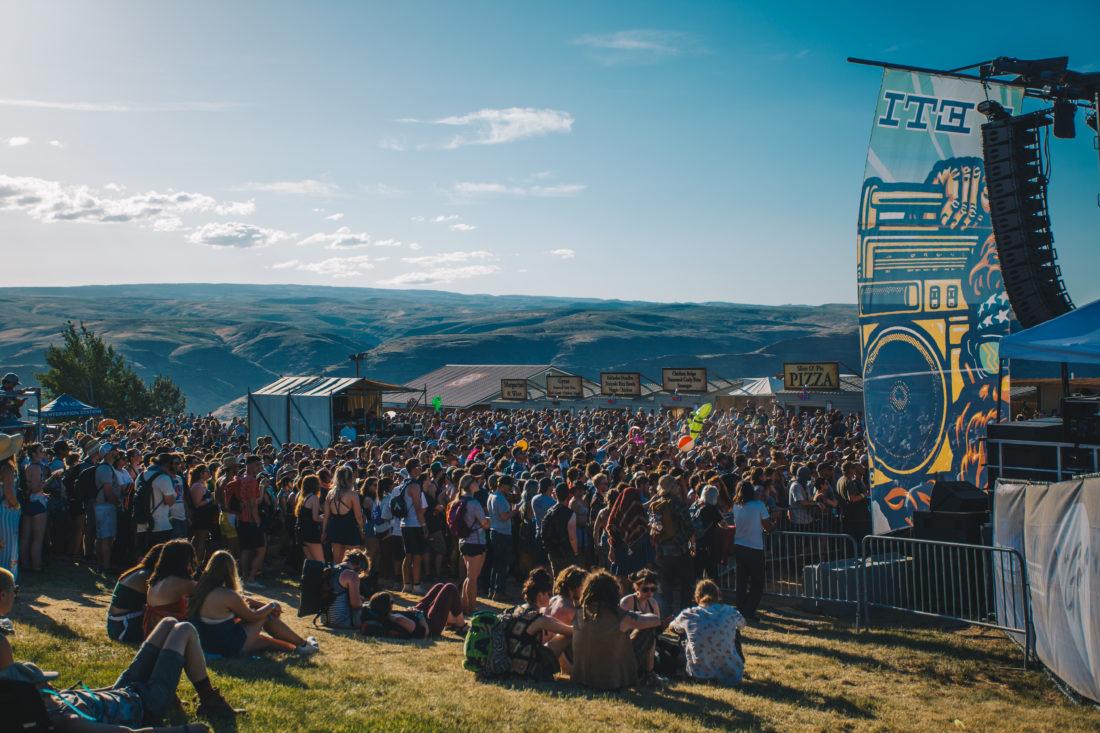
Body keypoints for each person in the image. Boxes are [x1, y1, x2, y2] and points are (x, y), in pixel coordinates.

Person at [0, 565, 239, 728]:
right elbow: (12, 690)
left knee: (169, 623)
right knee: (184, 630)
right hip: (144, 704)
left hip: (119, 692)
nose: (49, 684)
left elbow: (15, 688)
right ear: (2, 595)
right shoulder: (64, 718)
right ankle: (209, 701)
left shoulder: (55, 702)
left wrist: (89, 692)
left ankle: (204, 699)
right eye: (15, 591)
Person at [189, 550, 318, 657]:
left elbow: (242, 600)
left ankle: (297, 648)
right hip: (228, 647)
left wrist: (261, 605)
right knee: (265, 617)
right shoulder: (227, 595)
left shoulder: (202, 589)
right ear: (230, 570)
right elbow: (252, 616)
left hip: (210, 644)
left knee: (267, 642)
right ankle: (303, 645)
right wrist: (271, 605)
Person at [570, 570, 664, 690]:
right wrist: (634, 616)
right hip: (609, 680)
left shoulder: (579, 612)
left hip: (582, 679)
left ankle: (647, 674)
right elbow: (655, 620)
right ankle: (648, 675)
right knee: (647, 630)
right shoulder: (618, 615)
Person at [668, 579, 747, 685]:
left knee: (684, 632)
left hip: (698, 673)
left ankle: (683, 667)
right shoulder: (730, 611)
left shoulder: (688, 614)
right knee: (736, 631)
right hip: (731, 674)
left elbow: (671, 627)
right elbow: (742, 624)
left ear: (697, 596)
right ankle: (732, 663)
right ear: (717, 595)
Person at [648, 475, 694, 615]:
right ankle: (684, 613)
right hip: (680, 550)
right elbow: (689, 526)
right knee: (685, 585)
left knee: (666, 585)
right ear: (671, 487)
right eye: (676, 485)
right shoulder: (678, 503)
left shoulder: (655, 504)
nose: (679, 487)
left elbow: (653, 528)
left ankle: (666, 614)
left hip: (662, 551)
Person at [731, 479, 774, 622]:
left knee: (741, 581)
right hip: (754, 547)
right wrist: (774, 525)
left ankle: (740, 609)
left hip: (739, 545)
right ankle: (748, 610)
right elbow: (767, 526)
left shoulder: (736, 506)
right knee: (757, 582)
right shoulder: (759, 505)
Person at [107, 543, 165, 643]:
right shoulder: (147, 575)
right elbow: (159, 604)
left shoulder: (140, 570)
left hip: (116, 624)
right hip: (123, 627)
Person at [143, 540, 197, 638]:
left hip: (152, 633)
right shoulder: (182, 583)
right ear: (184, 560)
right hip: (171, 636)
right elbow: (208, 591)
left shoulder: (156, 580)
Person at [455, 474, 490, 614]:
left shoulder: (459, 500)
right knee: (473, 578)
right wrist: (491, 520)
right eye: (476, 481)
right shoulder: (474, 503)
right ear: (470, 485)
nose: (479, 482)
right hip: (476, 541)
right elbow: (484, 523)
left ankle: (464, 605)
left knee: (469, 576)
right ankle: (471, 608)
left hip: (463, 541)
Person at [619, 568, 662, 677]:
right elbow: (620, 630)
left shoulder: (653, 603)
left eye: (653, 589)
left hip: (648, 644)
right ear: (636, 587)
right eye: (645, 589)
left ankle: (649, 672)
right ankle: (649, 674)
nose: (650, 592)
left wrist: (663, 625)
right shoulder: (627, 602)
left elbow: (657, 629)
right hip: (628, 645)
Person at [19, 442, 52, 573]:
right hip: (37, 504)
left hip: (28, 502)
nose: (44, 452)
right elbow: (35, 488)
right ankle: (37, 566)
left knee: (26, 537)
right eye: (41, 450)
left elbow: (31, 488)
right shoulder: (37, 468)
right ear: (34, 454)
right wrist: (52, 478)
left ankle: (25, 564)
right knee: (37, 538)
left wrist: (42, 493)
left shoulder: (28, 466)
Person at [324, 465, 365, 566]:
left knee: (337, 561)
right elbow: (359, 517)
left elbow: (326, 516)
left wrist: (324, 531)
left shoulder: (330, 493)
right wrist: (362, 531)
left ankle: (336, 580)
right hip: (350, 528)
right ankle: (350, 580)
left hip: (334, 527)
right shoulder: (352, 495)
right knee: (353, 561)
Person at [397, 460, 427, 593]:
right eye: (419, 467)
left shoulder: (404, 483)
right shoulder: (415, 485)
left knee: (408, 555)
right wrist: (424, 525)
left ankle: (406, 584)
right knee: (417, 556)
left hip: (404, 524)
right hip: (414, 524)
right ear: (414, 469)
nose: (420, 469)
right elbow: (418, 508)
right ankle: (416, 585)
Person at [93, 443, 122, 572]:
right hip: (105, 506)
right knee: (105, 537)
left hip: (104, 505)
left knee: (104, 536)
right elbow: (108, 491)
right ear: (109, 453)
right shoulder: (105, 469)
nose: (117, 452)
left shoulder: (108, 467)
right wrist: (117, 503)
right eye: (114, 450)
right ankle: (105, 566)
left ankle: (102, 564)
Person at [325, 549, 370, 629]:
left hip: (325, 619)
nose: (359, 574)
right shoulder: (351, 575)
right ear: (359, 566)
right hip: (343, 621)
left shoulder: (333, 569)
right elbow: (355, 604)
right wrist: (362, 601)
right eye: (360, 572)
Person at [540, 482, 577, 578]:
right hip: (566, 552)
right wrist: (576, 552)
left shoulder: (550, 511)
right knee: (569, 579)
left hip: (553, 551)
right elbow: (572, 537)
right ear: (568, 495)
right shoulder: (570, 514)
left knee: (557, 578)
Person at [486, 474, 514, 600]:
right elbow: (504, 517)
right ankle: (499, 592)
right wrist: (516, 510)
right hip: (502, 533)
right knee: (502, 565)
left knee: (496, 564)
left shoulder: (491, 495)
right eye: (509, 486)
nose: (510, 489)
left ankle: (492, 590)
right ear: (502, 485)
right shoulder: (500, 498)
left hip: (494, 531)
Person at [0, 433, 23, 582]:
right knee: (8, 548)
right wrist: (17, 505)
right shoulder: (7, 467)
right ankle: (7, 585)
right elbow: (9, 491)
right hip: (6, 510)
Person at [187, 464, 218, 568]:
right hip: (200, 516)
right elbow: (197, 504)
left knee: (200, 540)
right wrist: (211, 498)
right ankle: (197, 564)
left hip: (205, 516)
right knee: (200, 541)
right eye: (206, 471)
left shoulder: (202, 484)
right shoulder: (198, 486)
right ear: (201, 474)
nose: (209, 473)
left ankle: (196, 564)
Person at [295, 473, 325, 562]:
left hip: (301, 532)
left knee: (310, 561)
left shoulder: (303, 498)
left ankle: (309, 576)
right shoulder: (314, 498)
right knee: (320, 562)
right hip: (311, 533)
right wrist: (324, 518)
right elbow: (315, 518)